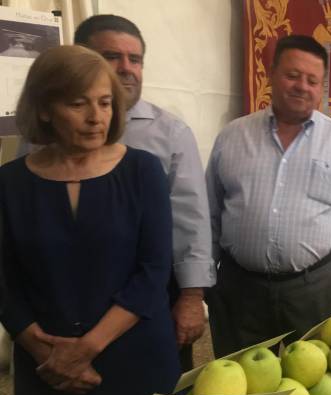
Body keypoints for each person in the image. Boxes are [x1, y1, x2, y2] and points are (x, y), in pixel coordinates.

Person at [15, 15, 214, 371]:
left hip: (146, 305)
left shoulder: (167, 135)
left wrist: (191, 297)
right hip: (55, 313)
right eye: (112, 56)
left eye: (134, 59)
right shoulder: (32, 148)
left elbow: (191, 221)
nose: (126, 68)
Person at [0, 45, 178, 395]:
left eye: (105, 103)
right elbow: (4, 281)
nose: (96, 118)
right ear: (45, 108)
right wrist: (46, 354)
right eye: (79, 104)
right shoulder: (9, 183)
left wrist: (83, 351)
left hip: (134, 355)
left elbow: (154, 271)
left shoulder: (142, 171)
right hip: (46, 365)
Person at [205, 35, 331, 357]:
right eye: (292, 75)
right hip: (241, 290)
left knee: (321, 387)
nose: (302, 86)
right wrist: (206, 278)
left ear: (322, 87)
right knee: (239, 386)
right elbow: (210, 213)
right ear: (272, 74)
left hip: (317, 289)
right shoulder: (233, 137)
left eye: (312, 80)